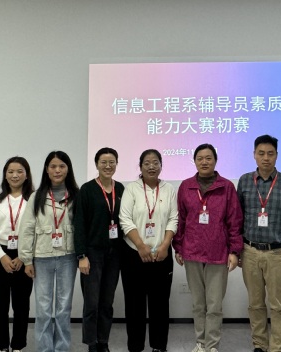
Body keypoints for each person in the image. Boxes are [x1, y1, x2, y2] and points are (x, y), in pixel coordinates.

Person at [173, 144, 244, 352]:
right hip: (192, 251)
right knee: (198, 304)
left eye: (208, 158)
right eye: (200, 158)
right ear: (194, 161)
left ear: (215, 160)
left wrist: (234, 251)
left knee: (214, 305)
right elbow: (181, 220)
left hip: (218, 252)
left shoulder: (226, 187)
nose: (204, 162)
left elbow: (234, 221)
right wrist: (178, 247)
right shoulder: (186, 186)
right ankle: (200, 342)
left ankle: (212, 344)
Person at [237, 134, 281, 352]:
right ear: (254, 155)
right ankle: (259, 344)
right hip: (250, 251)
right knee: (255, 304)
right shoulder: (245, 181)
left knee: (278, 305)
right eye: (261, 153)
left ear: (277, 156)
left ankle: (277, 348)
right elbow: (237, 219)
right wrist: (237, 251)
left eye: (270, 154)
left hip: (277, 253)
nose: (266, 158)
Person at [18, 151, 79, 352]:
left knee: (63, 308)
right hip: (42, 257)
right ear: (46, 169)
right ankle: (44, 349)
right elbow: (27, 228)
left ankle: (61, 348)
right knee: (43, 308)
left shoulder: (76, 195)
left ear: (68, 169)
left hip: (68, 257)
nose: (57, 170)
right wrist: (27, 259)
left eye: (61, 166)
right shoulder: (37, 196)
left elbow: (82, 228)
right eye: (53, 166)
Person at [119, 149, 178, 352]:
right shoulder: (131, 189)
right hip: (134, 254)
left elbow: (173, 219)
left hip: (162, 254)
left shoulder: (169, 189)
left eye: (155, 162)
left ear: (161, 165)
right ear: (140, 166)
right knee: (134, 305)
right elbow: (125, 219)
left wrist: (165, 245)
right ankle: (135, 347)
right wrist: (140, 246)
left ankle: (159, 346)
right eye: (147, 163)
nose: (151, 166)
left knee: (160, 304)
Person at [74, 147, 125, 352]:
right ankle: (91, 343)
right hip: (92, 253)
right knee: (92, 303)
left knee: (107, 302)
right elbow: (79, 224)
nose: (108, 166)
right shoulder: (87, 189)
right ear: (96, 164)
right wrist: (81, 255)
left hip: (115, 254)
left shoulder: (121, 189)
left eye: (112, 162)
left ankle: (103, 341)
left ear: (116, 164)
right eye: (103, 162)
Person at [0, 156, 35, 352]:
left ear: (26, 175)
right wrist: (2, 256)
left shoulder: (34, 199)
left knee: (22, 305)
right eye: (11, 171)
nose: (15, 175)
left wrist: (24, 256)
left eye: (20, 171)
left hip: (25, 255)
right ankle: (2, 346)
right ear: (5, 175)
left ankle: (18, 346)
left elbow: (38, 230)